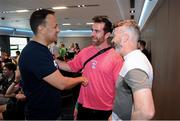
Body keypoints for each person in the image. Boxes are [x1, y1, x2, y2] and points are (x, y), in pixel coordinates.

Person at [18, 9, 88, 120]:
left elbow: (51, 69)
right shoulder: (35, 52)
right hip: (42, 116)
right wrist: (82, 78)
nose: (58, 30)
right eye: (55, 27)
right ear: (41, 29)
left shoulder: (41, 50)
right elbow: (62, 83)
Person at [56, 16, 123, 120]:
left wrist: (115, 113)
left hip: (105, 111)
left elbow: (120, 89)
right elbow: (71, 67)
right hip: (84, 107)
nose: (92, 34)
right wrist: (52, 61)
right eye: (92, 30)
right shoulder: (85, 52)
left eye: (97, 31)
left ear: (107, 35)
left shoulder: (116, 58)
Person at [109, 20, 155, 120]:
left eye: (115, 36)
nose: (112, 41)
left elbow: (146, 112)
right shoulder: (134, 59)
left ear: (124, 38)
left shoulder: (134, 64)